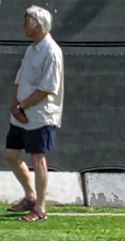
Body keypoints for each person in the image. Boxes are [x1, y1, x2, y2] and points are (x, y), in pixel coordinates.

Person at [4, 5, 64, 223]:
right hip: (20, 114)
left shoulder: (52, 52)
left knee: (38, 159)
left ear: (37, 25)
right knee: (11, 154)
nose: (23, 25)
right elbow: (20, 79)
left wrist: (22, 106)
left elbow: (47, 89)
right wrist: (15, 105)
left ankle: (40, 208)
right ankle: (30, 197)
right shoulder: (31, 49)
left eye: (26, 21)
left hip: (41, 115)